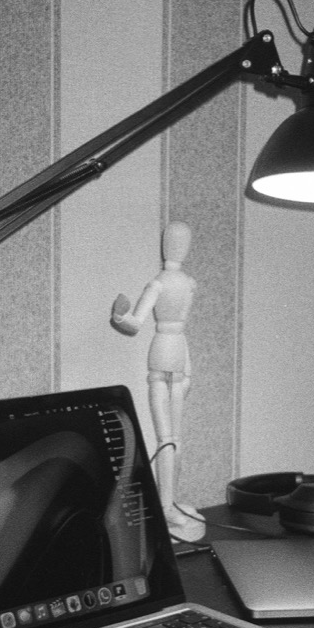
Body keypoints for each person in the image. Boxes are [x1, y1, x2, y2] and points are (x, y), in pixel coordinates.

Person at [111, 222, 206, 541]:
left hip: (166, 350)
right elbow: (179, 327)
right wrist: (189, 369)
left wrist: (120, 317)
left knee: (169, 437)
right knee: (171, 437)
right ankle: (167, 506)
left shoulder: (160, 283)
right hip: (177, 352)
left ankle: (169, 506)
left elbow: (134, 323)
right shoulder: (188, 283)